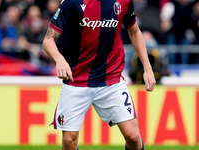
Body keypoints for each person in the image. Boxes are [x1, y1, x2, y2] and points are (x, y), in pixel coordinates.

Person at [42, 0, 156, 150]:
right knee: (69, 141)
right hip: (77, 80)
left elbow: (134, 31)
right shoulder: (72, 2)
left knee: (133, 137)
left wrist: (147, 68)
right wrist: (60, 59)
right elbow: (48, 40)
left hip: (111, 79)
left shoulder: (124, 2)